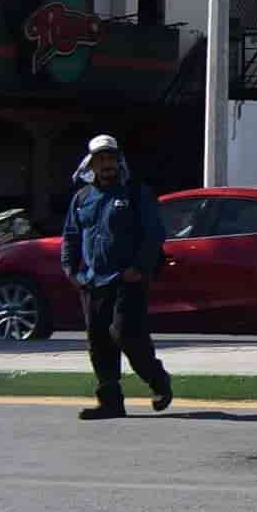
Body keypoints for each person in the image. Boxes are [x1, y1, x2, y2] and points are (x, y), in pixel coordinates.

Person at [61, 135, 173, 421]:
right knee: (98, 342)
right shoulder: (82, 197)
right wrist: (72, 271)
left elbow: (153, 234)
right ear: (92, 163)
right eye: (101, 159)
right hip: (92, 281)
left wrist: (139, 267)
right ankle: (110, 401)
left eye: (111, 158)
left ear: (119, 161)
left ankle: (158, 380)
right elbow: (72, 236)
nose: (107, 164)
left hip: (127, 279)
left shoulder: (135, 193)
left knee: (126, 334)